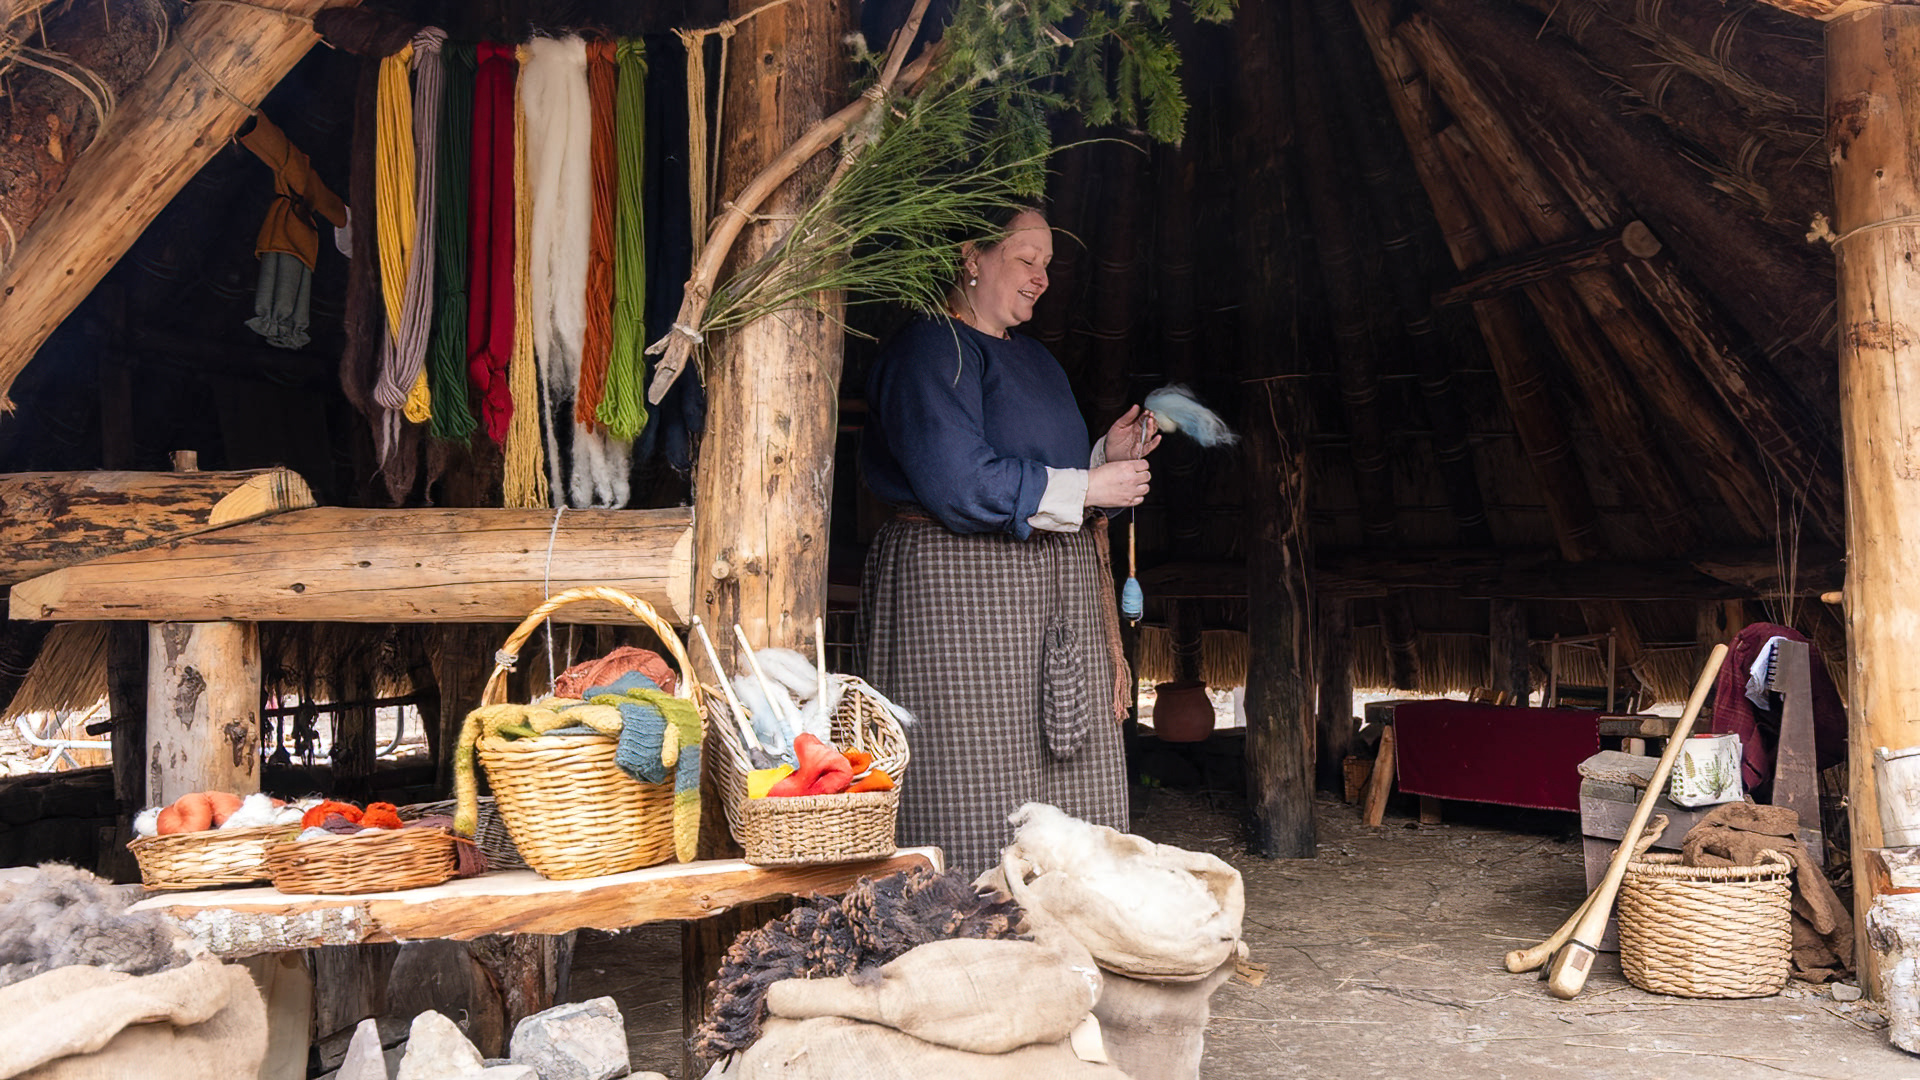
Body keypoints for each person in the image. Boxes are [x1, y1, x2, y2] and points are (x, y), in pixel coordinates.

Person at [858, 206, 1160, 876]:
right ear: (972, 256)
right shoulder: (930, 349)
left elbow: (1032, 468)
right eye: (1027, 259)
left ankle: (1070, 931)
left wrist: (1097, 459)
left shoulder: (1039, 363)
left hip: (1050, 599)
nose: (1042, 277)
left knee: (1067, 771)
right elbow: (959, 483)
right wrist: (1089, 489)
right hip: (960, 599)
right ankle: (968, 943)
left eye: (1047, 265)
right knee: (972, 775)